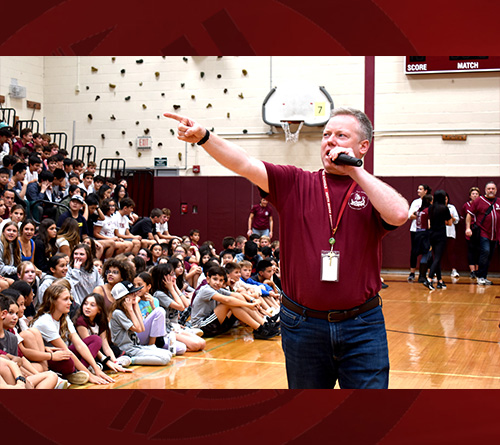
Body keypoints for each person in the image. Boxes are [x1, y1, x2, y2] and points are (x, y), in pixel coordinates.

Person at [165, 108, 408, 388]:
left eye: (341, 135)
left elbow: (400, 213)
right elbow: (244, 163)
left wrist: (355, 170)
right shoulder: (296, 182)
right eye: (326, 135)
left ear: (363, 146)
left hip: (362, 325)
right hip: (303, 325)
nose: (330, 141)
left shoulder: (371, 193)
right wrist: (205, 137)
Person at [31, 284, 113, 385]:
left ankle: (77, 372)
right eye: (66, 299)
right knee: (68, 359)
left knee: (95, 339)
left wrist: (96, 369)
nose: (70, 302)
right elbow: (65, 350)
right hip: (46, 359)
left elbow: (79, 344)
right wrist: (90, 376)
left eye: (70, 299)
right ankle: (75, 373)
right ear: (54, 301)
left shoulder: (64, 317)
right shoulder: (45, 321)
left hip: (62, 355)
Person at [109, 281, 173, 366]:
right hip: (127, 350)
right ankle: (129, 360)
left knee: (168, 354)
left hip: (136, 346)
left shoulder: (128, 310)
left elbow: (142, 328)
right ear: (124, 297)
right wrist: (131, 309)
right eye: (132, 293)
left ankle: (132, 358)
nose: (135, 295)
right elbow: (138, 329)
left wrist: (135, 306)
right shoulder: (118, 313)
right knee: (164, 359)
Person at [465, 181, 500, 285]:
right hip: (483, 232)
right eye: (489, 189)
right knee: (485, 251)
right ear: (485, 190)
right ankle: (480, 276)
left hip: (495, 234)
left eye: (493, 189)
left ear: (496, 190)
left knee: (489, 255)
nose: (491, 191)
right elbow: (469, 215)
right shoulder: (479, 201)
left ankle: (484, 277)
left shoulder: (498, 201)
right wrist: (468, 228)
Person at [423, 190, 453, 291]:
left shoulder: (431, 208)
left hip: (432, 234)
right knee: (438, 258)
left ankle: (440, 281)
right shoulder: (445, 208)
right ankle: (429, 278)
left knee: (436, 257)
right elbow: (449, 223)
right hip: (440, 235)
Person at [407, 183, 431, 282]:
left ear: (426, 191)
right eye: (417, 189)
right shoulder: (415, 202)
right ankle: (412, 273)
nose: (418, 191)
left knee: (427, 252)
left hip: (427, 231)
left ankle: (428, 274)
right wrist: (421, 215)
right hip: (415, 230)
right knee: (414, 252)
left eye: (420, 189)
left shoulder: (430, 201)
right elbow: (410, 216)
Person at [462, 186, 481, 279]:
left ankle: (478, 270)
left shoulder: (481, 204)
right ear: (470, 196)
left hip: (480, 230)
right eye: (473, 194)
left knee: (480, 250)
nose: (475, 195)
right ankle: (472, 271)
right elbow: (463, 217)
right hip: (470, 229)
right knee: (471, 250)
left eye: (477, 194)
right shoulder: (466, 205)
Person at [445, 193, 460, 278]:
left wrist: (451, 218)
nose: (445, 200)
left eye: (446, 199)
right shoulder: (436, 207)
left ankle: (454, 270)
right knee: (436, 253)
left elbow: (457, 220)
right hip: (439, 233)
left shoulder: (452, 207)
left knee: (451, 252)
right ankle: (435, 270)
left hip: (450, 233)